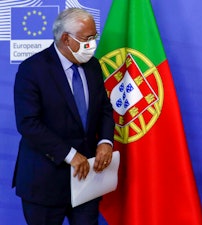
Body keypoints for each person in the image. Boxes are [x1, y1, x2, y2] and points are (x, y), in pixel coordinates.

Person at [13, 8, 115, 225]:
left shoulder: (93, 66)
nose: (92, 44)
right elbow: (28, 123)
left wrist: (105, 141)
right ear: (66, 39)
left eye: (94, 37)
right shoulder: (32, 69)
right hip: (44, 183)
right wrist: (69, 154)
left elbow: (104, 108)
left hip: (87, 183)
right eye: (87, 38)